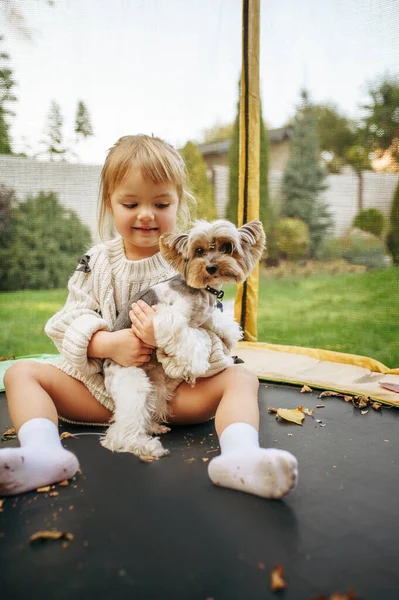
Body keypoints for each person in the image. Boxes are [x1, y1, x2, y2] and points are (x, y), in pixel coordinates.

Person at [0, 134, 298, 499]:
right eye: (130, 203)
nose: (145, 213)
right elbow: (65, 320)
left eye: (160, 203)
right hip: (97, 391)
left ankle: (242, 457)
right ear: (110, 204)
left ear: (178, 203)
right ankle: (42, 453)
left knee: (241, 378)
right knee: (22, 373)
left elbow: (216, 342)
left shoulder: (194, 263)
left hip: (174, 397)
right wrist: (106, 342)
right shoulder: (96, 262)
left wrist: (165, 342)